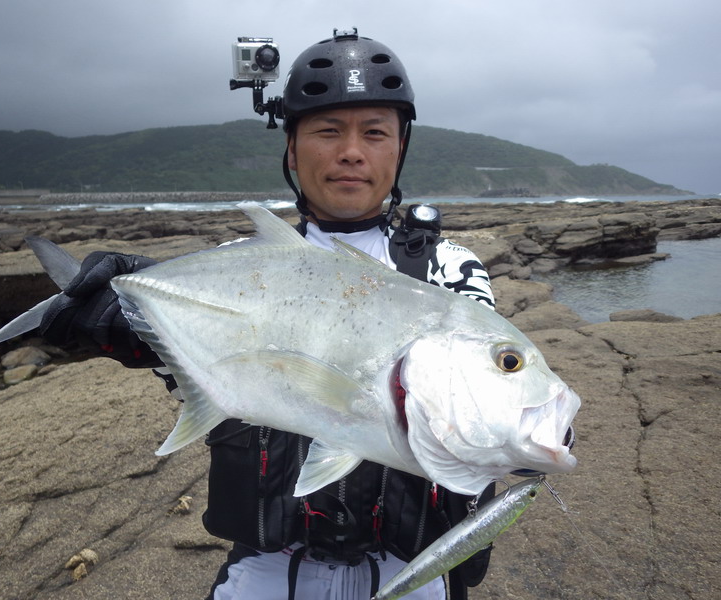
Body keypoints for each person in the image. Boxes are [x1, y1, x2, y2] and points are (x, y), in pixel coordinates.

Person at [40, 29, 496, 600]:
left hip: (414, 573)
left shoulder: (447, 272)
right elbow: (194, 377)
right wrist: (126, 328)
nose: (351, 151)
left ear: (399, 147)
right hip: (267, 570)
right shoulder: (234, 265)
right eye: (327, 130)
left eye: (375, 132)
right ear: (291, 148)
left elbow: (482, 401)